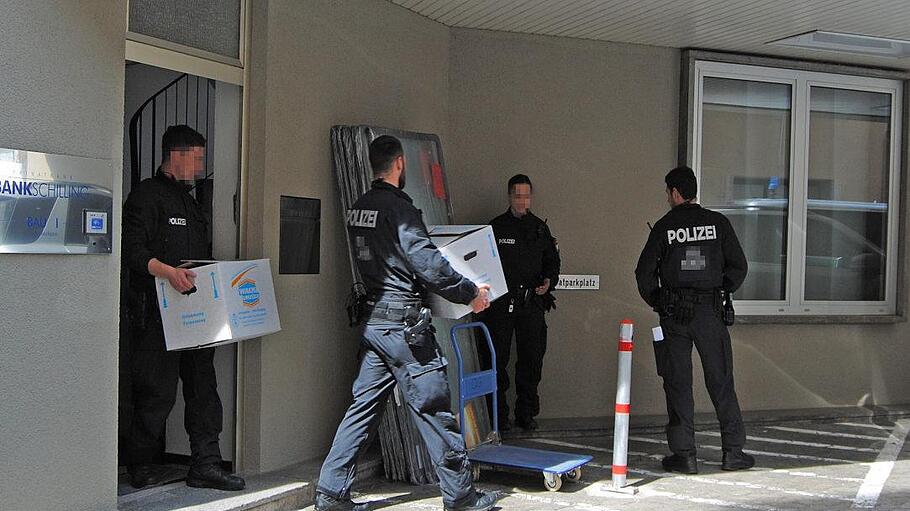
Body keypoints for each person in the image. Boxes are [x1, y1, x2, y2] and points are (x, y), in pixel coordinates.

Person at [314, 136, 502, 511]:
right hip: (404, 329)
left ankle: (331, 493)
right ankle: (461, 496)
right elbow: (427, 263)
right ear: (399, 163)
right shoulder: (400, 210)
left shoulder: (360, 208)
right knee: (434, 407)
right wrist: (470, 293)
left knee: (362, 410)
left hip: (375, 325)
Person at [122, 125, 244, 491]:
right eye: (198, 157)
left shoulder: (190, 201)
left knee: (204, 390)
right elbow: (132, 253)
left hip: (196, 314)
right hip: (156, 315)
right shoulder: (146, 196)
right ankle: (140, 465)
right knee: (156, 393)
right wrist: (168, 273)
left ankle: (205, 464)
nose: (201, 165)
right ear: (177, 155)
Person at [634, 165, 754, 474]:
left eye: (667, 193)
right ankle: (733, 452)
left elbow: (643, 273)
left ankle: (685, 455)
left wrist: (660, 300)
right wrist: (719, 288)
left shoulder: (664, 227)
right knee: (721, 380)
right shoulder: (718, 223)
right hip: (710, 313)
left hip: (675, 315)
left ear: (675, 193)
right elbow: (738, 266)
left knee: (678, 384)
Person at [480, 174, 560, 432]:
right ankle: (498, 415)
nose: (522, 201)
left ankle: (526, 413)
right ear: (509, 196)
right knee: (496, 360)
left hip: (531, 304)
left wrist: (549, 282)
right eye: (518, 196)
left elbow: (552, 262)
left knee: (531, 359)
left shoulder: (540, 228)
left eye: (526, 196)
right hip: (501, 305)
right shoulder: (496, 227)